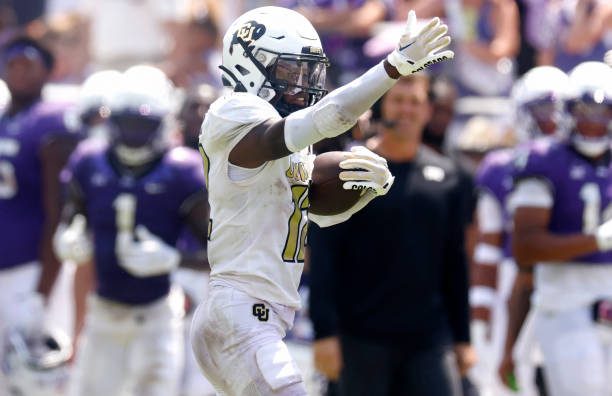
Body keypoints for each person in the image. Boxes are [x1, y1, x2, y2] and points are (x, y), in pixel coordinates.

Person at [189, 5, 454, 395]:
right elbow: (329, 117)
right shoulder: (235, 113)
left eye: (306, 72)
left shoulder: (285, 143)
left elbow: (316, 214)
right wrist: (394, 67)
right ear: (249, 65)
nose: (301, 85)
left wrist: (367, 186)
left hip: (256, 315)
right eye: (289, 71)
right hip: (239, 313)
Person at [308, 72, 474, 396]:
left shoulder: (450, 177)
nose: (406, 110)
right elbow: (324, 256)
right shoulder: (350, 171)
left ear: (429, 110)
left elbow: (455, 263)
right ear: (383, 105)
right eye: (398, 100)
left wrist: (463, 338)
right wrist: (324, 332)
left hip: (428, 339)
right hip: (359, 338)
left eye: (416, 102)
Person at [53, 65, 209, 396]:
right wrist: (68, 235)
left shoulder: (182, 170)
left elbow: (218, 253)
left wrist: (173, 259)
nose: (133, 134)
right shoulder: (88, 160)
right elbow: (73, 215)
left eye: (143, 125)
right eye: (127, 123)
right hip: (103, 312)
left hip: (157, 314)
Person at [509, 61, 612, 396]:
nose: (593, 122)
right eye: (584, 110)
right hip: (564, 304)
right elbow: (525, 247)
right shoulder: (543, 159)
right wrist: (597, 239)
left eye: (602, 112)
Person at [470, 65, 569, 396]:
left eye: (557, 109)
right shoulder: (502, 167)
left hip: (574, 274)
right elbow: (488, 244)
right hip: (513, 280)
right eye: (542, 109)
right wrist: (481, 304)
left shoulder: (592, 165)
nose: (551, 119)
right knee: (510, 377)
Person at [0, 35, 79, 393]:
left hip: (30, 269)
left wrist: (43, 290)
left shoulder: (50, 121)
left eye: (27, 64)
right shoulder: (3, 117)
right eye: (12, 63)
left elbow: (57, 209)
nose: (18, 71)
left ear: (47, 71)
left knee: (35, 379)